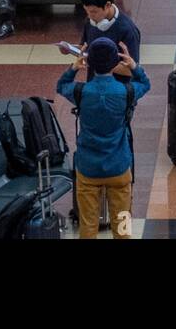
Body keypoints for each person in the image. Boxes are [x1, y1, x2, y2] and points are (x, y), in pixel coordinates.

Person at [56, 38, 150, 238]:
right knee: (122, 224)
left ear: (89, 63)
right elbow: (145, 83)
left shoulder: (81, 92)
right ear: (116, 63)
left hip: (88, 168)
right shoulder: (126, 92)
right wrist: (132, 65)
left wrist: (74, 67)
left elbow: (62, 85)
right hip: (119, 166)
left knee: (88, 225)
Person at [79, 0, 142, 69]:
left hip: (119, 82)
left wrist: (99, 65)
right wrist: (70, 49)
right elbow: (84, 46)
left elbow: (132, 69)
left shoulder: (127, 30)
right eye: (86, 10)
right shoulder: (90, 21)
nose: (89, 16)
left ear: (107, 5)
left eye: (94, 11)